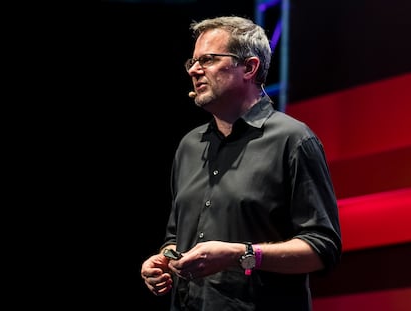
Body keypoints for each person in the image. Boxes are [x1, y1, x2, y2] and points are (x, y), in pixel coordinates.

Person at [140, 15, 342, 311]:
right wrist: (163, 260)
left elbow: (322, 249)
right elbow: (175, 237)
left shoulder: (293, 140)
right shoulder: (189, 146)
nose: (194, 70)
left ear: (249, 67)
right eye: (193, 62)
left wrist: (241, 254)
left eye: (208, 59)